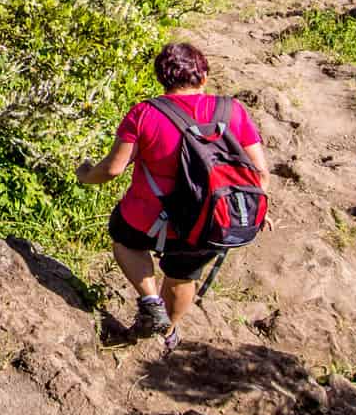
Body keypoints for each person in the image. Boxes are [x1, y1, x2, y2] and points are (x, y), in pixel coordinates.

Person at [74, 41, 269, 347]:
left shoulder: (145, 113)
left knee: (124, 240)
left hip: (147, 217)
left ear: (162, 79)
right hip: (211, 220)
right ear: (203, 77)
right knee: (183, 275)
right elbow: (260, 174)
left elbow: (113, 169)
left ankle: (151, 301)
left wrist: (85, 174)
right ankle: (167, 333)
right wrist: (254, 208)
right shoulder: (233, 110)